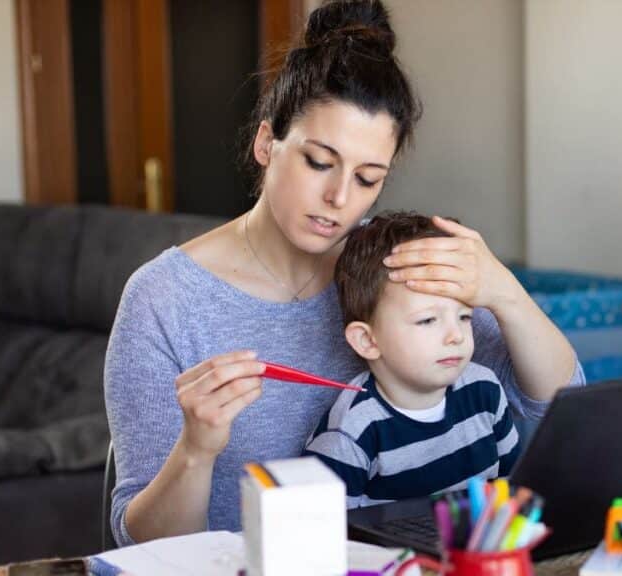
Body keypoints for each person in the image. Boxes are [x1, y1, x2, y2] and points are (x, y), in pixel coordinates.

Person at [104, 0, 583, 548]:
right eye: (318, 162)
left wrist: (507, 295)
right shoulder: (163, 300)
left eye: (368, 177)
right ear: (267, 142)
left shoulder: (396, 264)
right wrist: (196, 448)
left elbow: (557, 409)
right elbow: (143, 544)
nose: (338, 199)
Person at [303, 212, 520, 507]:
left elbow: (512, 493)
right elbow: (324, 536)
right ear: (367, 341)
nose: (455, 335)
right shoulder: (353, 429)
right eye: (428, 320)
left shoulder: (485, 390)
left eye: (464, 316)